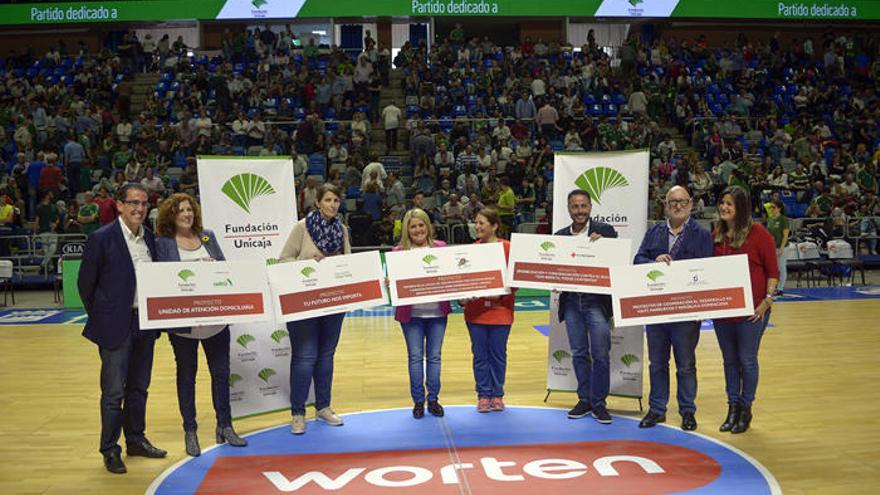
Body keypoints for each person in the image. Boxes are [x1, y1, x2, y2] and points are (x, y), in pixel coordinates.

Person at [77, 184, 166, 474]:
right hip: (116, 325)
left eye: (143, 203)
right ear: (119, 205)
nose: (139, 208)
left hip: (145, 322)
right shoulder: (101, 238)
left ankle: (136, 440)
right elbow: (85, 286)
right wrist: (105, 317)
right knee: (114, 392)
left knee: (139, 388)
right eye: (133, 203)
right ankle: (110, 449)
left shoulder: (150, 239)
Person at [154, 193, 247, 457]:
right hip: (184, 326)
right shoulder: (163, 243)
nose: (187, 214)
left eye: (190, 210)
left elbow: (225, 271)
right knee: (187, 377)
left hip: (216, 323)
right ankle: (190, 430)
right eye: (181, 210)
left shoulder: (208, 237)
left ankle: (225, 426)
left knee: (221, 374)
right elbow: (161, 280)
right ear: (171, 215)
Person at [633, 186, 713, 431]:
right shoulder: (655, 231)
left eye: (683, 201)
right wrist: (652, 262)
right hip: (657, 309)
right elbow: (638, 260)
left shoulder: (701, 234)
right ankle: (657, 409)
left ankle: (687, 410)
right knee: (657, 362)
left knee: (685, 363)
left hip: (686, 311)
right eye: (673, 202)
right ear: (666, 205)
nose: (678, 206)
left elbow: (708, 269)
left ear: (691, 205)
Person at [279, 183, 351, 435]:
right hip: (305, 305)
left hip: (333, 304)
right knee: (305, 357)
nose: (333, 204)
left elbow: (348, 264)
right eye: (328, 200)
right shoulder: (302, 227)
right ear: (318, 202)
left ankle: (323, 406)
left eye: (336, 201)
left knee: (326, 356)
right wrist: (305, 263)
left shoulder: (342, 230)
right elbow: (283, 259)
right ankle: (298, 413)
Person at [713, 186, 779, 434]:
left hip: (752, 312)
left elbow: (773, 272)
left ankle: (745, 408)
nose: (724, 208)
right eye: (722, 203)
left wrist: (766, 302)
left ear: (741, 208)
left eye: (729, 204)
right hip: (723, 312)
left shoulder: (758, 233)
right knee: (729, 361)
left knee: (747, 360)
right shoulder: (716, 234)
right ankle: (732, 408)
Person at [555, 189, 618, 424]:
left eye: (583, 206)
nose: (579, 211)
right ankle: (584, 399)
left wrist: (604, 246)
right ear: (568, 209)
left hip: (596, 302)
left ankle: (599, 403)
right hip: (571, 302)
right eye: (575, 206)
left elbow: (615, 261)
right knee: (579, 353)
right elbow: (553, 269)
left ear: (590, 208)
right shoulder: (559, 237)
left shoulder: (606, 232)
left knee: (601, 354)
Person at [393, 209, 451, 418]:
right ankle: (418, 401)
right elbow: (392, 283)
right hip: (412, 316)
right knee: (415, 358)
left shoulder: (442, 248)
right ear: (407, 230)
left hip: (437, 313)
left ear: (428, 226)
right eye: (413, 226)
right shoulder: (398, 252)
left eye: (421, 225)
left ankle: (433, 399)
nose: (417, 230)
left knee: (434, 357)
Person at [461, 208, 515, 413]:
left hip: (501, 311)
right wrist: (462, 297)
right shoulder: (470, 250)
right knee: (480, 355)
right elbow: (464, 280)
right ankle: (483, 395)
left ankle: (497, 394)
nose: (477, 226)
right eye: (476, 223)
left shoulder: (508, 248)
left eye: (482, 223)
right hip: (475, 313)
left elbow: (515, 280)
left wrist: (500, 295)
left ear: (494, 226)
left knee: (498, 355)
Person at [765, 199, 790, 295]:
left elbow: (785, 235)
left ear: (779, 208)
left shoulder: (783, 219)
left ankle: (780, 288)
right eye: (770, 207)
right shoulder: (770, 218)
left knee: (781, 267)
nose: (771, 209)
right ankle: (773, 286)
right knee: (772, 268)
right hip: (772, 247)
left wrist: (782, 248)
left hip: (781, 247)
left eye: (773, 207)